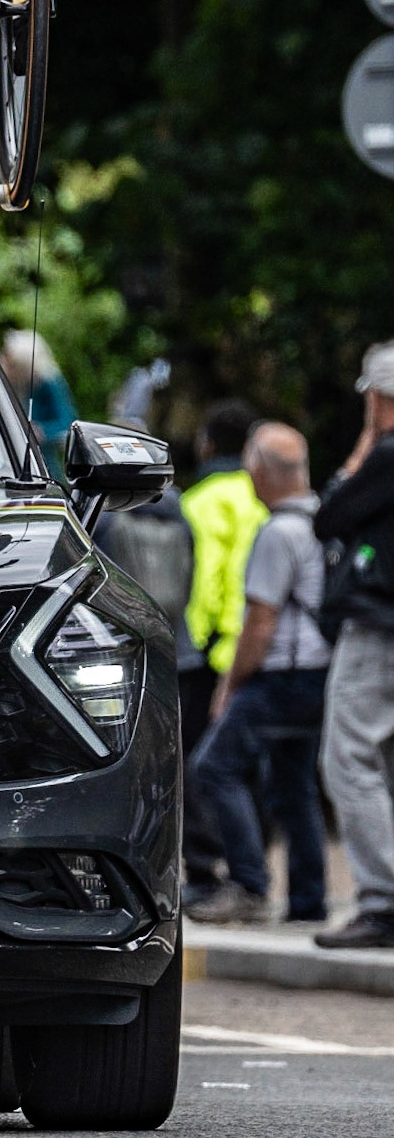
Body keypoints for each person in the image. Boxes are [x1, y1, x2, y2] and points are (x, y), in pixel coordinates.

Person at [188, 423, 331, 924]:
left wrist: (231, 684)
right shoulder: (324, 522)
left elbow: (261, 622)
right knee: (295, 785)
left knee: (213, 766)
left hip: (281, 677)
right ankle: (308, 902)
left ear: (262, 471)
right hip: (319, 675)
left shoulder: (277, 532)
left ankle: (249, 885)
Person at [312, 343, 394, 949]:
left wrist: (369, 439)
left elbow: (330, 514)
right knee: (383, 763)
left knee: (347, 759)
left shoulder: (388, 455)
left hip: (378, 628)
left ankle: (383, 900)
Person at [177, 399, 264, 902]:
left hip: (210, 653)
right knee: (248, 765)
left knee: (199, 764)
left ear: (208, 443)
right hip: (260, 647)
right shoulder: (261, 494)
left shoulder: (201, 500)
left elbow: (207, 575)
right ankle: (252, 867)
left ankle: (207, 871)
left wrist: (200, 633)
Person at [0, 330, 78, 478]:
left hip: (43, 466)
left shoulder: (49, 384)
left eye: (12, 364)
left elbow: (68, 424)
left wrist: (42, 431)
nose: (6, 367)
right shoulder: (10, 385)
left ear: (24, 364)